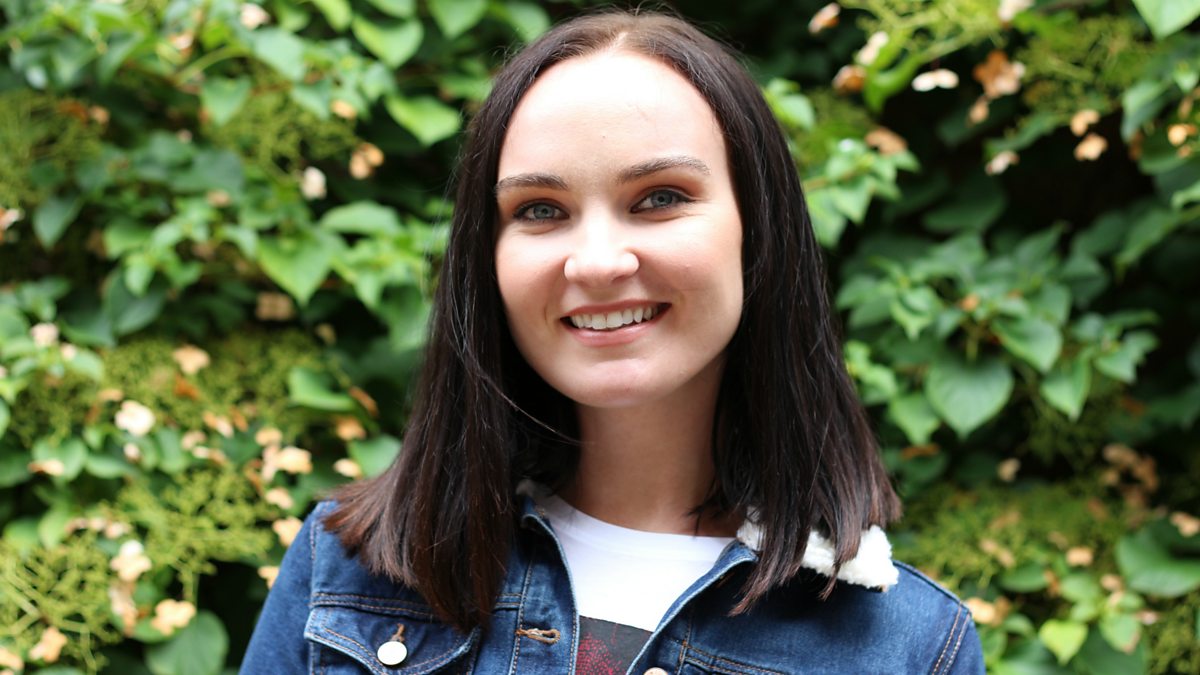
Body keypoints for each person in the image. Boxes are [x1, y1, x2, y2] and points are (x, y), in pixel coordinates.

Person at [241, 9, 985, 674]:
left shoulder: (912, 648)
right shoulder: (346, 574)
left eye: (659, 197)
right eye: (540, 209)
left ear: (759, 231)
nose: (596, 263)